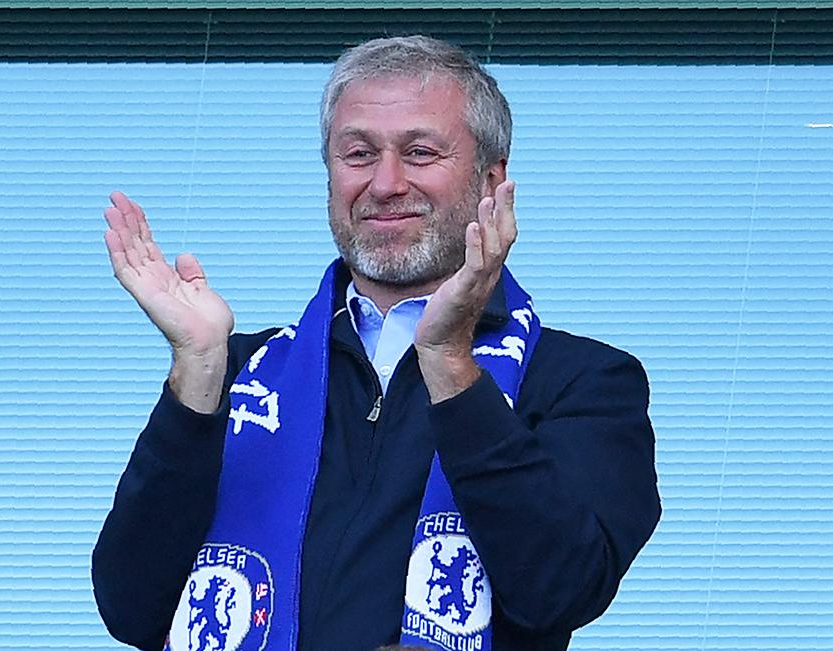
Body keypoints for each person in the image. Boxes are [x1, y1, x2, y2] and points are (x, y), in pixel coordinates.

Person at [92, 35, 660, 651]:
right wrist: (198, 371)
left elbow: (562, 587)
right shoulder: (237, 372)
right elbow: (133, 608)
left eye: (419, 152)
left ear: (491, 179)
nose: (386, 183)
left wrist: (449, 364)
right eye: (358, 153)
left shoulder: (583, 379)